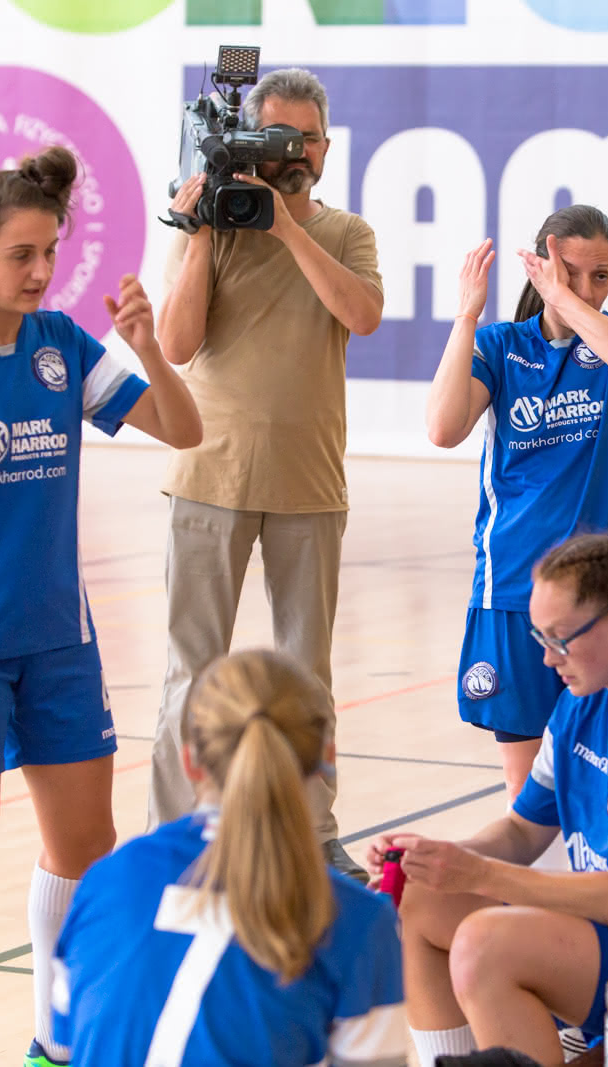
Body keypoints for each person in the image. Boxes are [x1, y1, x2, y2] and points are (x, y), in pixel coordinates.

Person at [0, 145, 202, 1067]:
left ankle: (55, 1046)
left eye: (49, 252)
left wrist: (145, 344)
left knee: (86, 850)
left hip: (61, 641)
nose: (39, 271)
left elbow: (182, 429)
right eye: (20, 254)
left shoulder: (63, 344)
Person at [149, 66, 383, 881]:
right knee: (191, 667)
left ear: (322, 146)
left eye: (301, 140)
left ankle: (314, 833)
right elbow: (175, 348)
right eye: (270, 137)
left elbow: (362, 314)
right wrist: (201, 234)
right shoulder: (209, 228)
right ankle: (173, 836)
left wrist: (286, 227)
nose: (288, 153)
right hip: (208, 473)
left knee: (306, 669)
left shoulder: (346, 231)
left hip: (308, 481)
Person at [372, 535, 608, 1067]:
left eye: (560, 638)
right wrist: (439, 858)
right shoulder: (582, 704)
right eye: (539, 636)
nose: (547, 657)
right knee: (422, 896)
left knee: (485, 945)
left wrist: (476, 874)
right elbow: (521, 833)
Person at [50, 648, 406, 1066]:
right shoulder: (356, 921)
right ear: (325, 758)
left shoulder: (106, 880)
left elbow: (65, 1046)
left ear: (190, 761)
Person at [425, 205, 608, 799]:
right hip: (512, 590)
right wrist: (465, 317)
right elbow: (442, 428)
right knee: (527, 793)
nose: (587, 287)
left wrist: (568, 300)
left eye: (601, 275)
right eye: (572, 272)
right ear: (540, 267)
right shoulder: (501, 347)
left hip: (607, 591)